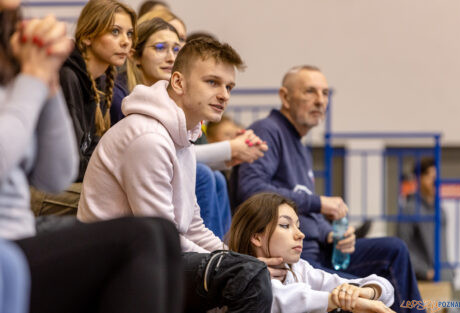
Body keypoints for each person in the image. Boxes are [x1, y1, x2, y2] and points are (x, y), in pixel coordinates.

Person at [0, 1, 183, 312]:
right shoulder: (24, 85)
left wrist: (47, 80)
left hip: (20, 241)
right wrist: (32, 79)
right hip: (8, 248)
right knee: (139, 236)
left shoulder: (15, 81)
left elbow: (55, 173)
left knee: (161, 231)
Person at [78, 37, 274, 312]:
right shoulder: (148, 138)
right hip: (116, 271)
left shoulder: (181, 139)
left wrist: (233, 259)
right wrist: (235, 266)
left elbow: (193, 225)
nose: (224, 95)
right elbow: (161, 237)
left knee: (251, 272)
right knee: (247, 275)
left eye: (229, 86)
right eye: (212, 82)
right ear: (179, 82)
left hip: (148, 261)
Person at [232, 65, 422, 312]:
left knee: (394, 250)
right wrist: (319, 203)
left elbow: (304, 214)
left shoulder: (299, 145)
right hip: (302, 257)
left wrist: (330, 233)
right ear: (285, 96)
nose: (320, 101)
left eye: (324, 93)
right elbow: (252, 190)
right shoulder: (267, 130)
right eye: (310, 92)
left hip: (318, 247)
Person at [30, 0, 136, 216]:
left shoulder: (99, 81)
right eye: (115, 32)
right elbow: (70, 164)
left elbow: (94, 148)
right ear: (87, 37)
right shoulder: (67, 76)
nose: (125, 42)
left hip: (67, 184)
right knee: (126, 202)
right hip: (41, 189)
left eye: (130, 34)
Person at [228, 192, 395, 313]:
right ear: (257, 237)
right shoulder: (240, 279)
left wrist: (365, 292)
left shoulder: (299, 268)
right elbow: (285, 300)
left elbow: (385, 289)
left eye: (298, 226)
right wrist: (342, 301)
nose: (300, 234)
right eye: (286, 225)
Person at [397, 158, 453, 281]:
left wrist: (448, 271)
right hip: (423, 281)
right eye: (431, 178)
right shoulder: (410, 209)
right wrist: (425, 271)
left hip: (444, 278)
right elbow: (402, 246)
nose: (435, 183)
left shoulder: (440, 210)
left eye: (437, 179)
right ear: (420, 178)